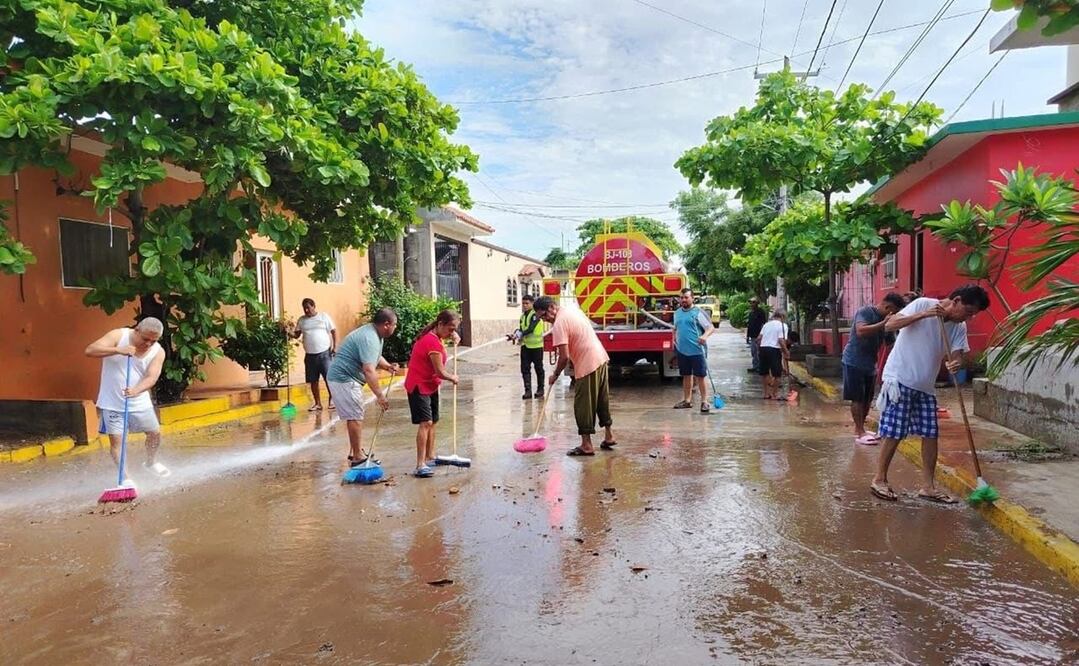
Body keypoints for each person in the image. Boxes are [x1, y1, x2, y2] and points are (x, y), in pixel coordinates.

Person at [870, 285, 990, 504]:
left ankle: (928, 487)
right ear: (957, 300)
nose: (969, 317)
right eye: (968, 311)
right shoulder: (923, 304)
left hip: (925, 385)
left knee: (930, 434)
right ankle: (879, 479)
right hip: (900, 378)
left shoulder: (959, 326)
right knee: (895, 432)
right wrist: (923, 314)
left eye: (973, 314)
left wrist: (956, 363)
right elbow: (889, 325)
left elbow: (957, 355)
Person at [85, 317, 170, 480]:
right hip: (112, 403)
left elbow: (152, 377)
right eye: (145, 339)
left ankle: (151, 462)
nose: (148, 344)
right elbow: (90, 350)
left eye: (153, 341)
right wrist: (118, 350)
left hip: (139, 402)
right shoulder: (118, 336)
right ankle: (125, 479)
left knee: (154, 434)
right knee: (118, 443)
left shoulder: (158, 351)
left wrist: (136, 390)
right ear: (136, 330)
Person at [534, 296, 616, 457]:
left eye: (544, 315)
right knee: (601, 400)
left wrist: (555, 374)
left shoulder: (559, 323)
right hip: (600, 357)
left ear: (551, 307)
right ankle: (609, 435)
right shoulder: (572, 311)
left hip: (588, 363)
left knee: (583, 405)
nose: (545, 320)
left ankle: (586, 445)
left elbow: (563, 357)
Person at [327, 308, 399, 467]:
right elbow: (368, 369)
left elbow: (374, 356)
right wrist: (380, 396)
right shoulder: (369, 337)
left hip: (345, 379)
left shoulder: (374, 334)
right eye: (394, 325)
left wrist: (387, 366)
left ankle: (356, 450)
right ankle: (358, 456)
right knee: (355, 416)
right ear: (386, 324)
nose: (395, 328)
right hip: (344, 379)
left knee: (355, 415)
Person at [842, 293, 906, 445]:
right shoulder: (865, 312)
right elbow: (861, 331)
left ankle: (862, 428)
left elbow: (890, 343)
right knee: (857, 397)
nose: (894, 315)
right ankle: (859, 431)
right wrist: (883, 323)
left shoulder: (887, 322)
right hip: (853, 361)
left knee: (868, 397)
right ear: (887, 307)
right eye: (894, 312)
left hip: (870, 363)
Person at [405, 310, 461, 478]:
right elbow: (440, 371)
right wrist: (453, 378)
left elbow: (436, 373)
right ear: (440, 324)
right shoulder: (432, 342)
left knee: (433, 421)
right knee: (426, 422)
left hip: (430, 384)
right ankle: (420, 464)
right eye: (450, 329)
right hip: (418, 385)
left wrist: (453, 335)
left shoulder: (436, 336)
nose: (452, 332)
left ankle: (430, 456)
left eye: (454, 329)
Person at [672, 288, 715, 413]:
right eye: (682, 297)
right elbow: (675, 328)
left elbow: (710, 327)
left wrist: (704, 336)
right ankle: (687, 400)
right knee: (686, 375)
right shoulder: (677, 313)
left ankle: (705, 402)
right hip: (682, 350)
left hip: (697, 350)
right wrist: (674, 338)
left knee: (701, 376)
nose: (683, 300)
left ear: (692, 298)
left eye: (686, 297)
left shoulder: (698, 312)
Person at [291, 298, 336, 412]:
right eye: (304, 308)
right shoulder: (302, 320)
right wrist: (287, 332)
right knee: (313, 380)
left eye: (308, 308)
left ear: (313, 306)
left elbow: (334, 331)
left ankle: (332, 400)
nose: (306, 310)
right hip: (310, 355)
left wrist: (335, 347)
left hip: (324, 353)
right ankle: (317, 403)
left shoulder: (323, 317)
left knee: (328, 378)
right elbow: (296, 335)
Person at [508, 294, 546, 400]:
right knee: (525, 369)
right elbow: (522, 329)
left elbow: (531, 328)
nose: (524, 305)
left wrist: (520, 334)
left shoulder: (536, 315)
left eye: (527, 303)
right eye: (523, 303)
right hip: (525, 346)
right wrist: (515, 334)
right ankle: (528, 391)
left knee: (539, 369)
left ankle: (540, 389)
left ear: (532, 304)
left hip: (537, 346)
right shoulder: (522, 316)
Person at [756, 311, 789, 400]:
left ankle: (766, 394)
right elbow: (781, 340)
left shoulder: (766, 325)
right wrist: (786, 352)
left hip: (763, 348)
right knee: (777, 374)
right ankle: (774, 394)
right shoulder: (783, 326)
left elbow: (759, 338)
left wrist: (759, 349)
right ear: (782, 317)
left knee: (764, 372)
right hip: (774, 350)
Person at [746, 297, 767, 373]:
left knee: (758, 352)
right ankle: (755, 366)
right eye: (751, 302)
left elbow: (763, 324)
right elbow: (749, 325)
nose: (751, 304)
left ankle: (760, 367)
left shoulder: (761, 312)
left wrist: (761, 335)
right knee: (753, 351)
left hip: (758, 336)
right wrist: (748, 336)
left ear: (757, 303)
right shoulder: (751, 313)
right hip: (752, 335)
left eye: (753, 302)